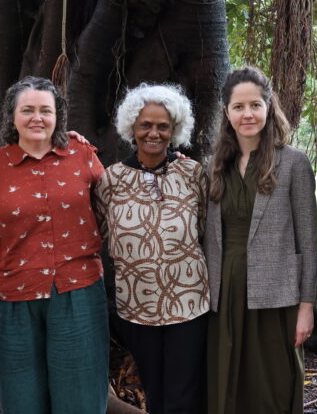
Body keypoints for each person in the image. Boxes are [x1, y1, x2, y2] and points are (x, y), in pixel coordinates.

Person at [0, 76, 109, 414]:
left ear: (58, 116)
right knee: (22, 399)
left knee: (81, 398)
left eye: (45, 110)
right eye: (27, 110)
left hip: (77, 290)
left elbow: (119, 197)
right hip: (11, 295)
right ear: (12, 116)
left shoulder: (82, 155)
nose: (36, 118)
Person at [204, 66, 317, 414]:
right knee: (227, 384)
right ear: (226, 112)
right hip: (224, 295)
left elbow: (308, 241)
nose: (247, 114)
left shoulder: (294, 164)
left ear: (269, 108)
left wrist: (306, 307)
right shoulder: (213, 166)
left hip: (276, 297)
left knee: (273, 386)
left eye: (255, 104)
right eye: (238, 106)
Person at [94, 83, 209, 414]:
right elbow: (101, 231)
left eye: (163, 126)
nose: (154, 133)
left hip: (189, 303)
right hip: (136, 305)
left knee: (184, 391)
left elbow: (203, 228)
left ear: (174, 129)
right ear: (132, 127)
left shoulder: (192, 173)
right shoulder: (111, 180)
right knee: (155, 391)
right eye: (146, 125)